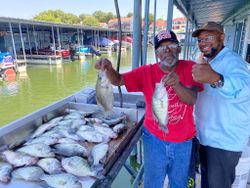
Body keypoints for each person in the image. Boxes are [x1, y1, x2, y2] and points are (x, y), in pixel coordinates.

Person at [95, 30, 203, 188]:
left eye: (171, 45)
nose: (167, 50)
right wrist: (108, 68)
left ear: (179, 49)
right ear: (157, 53)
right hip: (154, 139)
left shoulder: (191, 68)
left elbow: (192, 98)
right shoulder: (146, 72)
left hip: (183, 141)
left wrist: (177, 85)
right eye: (161, 48)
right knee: (152, 183)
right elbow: (118, 80)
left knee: (180, 184)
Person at [192, 21, 250, 188]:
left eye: (208, 37)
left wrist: (216, 79)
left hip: (223, 142)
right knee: (207, 183)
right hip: (207, 138)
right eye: (200, 40)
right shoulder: (211, 61)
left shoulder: (233, 61)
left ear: (222, 37)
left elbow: (245, 89)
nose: (203, 43)